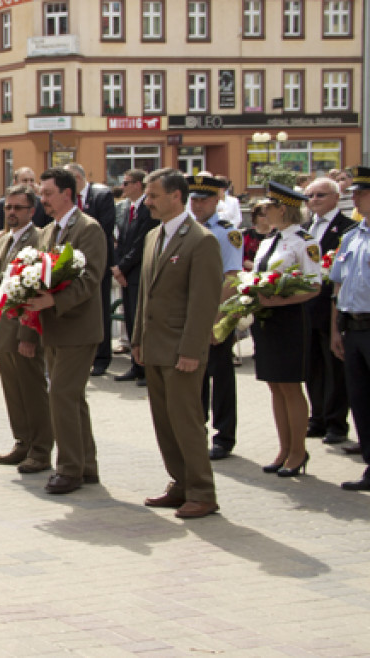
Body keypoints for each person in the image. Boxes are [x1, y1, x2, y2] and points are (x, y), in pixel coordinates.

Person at [133, 169, 224, 518]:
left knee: (187, 421)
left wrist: (191, 350)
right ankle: (180, 483)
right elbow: (146, 294)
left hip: (180, 349)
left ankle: (202, 490)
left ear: (176, 196)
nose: (148, 202)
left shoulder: (201, 240)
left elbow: (203, 303)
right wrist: (138, 338)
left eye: (154, 195)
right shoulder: (154, 236)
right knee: (164, 421)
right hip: (155, 345)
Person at [21, 168, 106, 495]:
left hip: (78, 327)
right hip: (54, 327)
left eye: (47, 193)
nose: (43, 200)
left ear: (67, 194)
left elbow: (90, 279)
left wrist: (52, 301)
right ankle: (85, 465)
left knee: (61, 396)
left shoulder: (88, 229)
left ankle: (68, 469)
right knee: (71, 398)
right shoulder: (48, 232)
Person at [251, 182, 322, 477]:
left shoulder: (305, 242)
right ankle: (284, 448)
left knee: (291, 386)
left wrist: (281, 300)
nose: (263, 211)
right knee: (274, 385)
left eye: (268, 206)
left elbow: (314, 286)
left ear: (283, 208)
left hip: (291, 319)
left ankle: (297, 450)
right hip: (267, 320)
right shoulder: (270, 240)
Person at [0, 184, 54, 473]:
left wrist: (29, 334)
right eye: (8, 208)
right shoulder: (4, 239)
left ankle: (40, 449)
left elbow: (37, 288)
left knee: (32, 388)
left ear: (32, 210)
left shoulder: (39, 239)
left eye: (18, 208)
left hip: (25, 326)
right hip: (3, 325)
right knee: (12, 388)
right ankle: (22, 441)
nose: (11, 213)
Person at [184, 176, 244, 461]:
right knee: (194, 376)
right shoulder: (188, 229)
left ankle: (224, 436)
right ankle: (197, 430)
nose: (197, 205)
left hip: (215, 314)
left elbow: (231, 277)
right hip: (192, 313)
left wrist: (216, 320)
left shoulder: (225, 233)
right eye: (193, 199)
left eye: (203, 200)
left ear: (217, 200)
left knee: (220, 376)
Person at [302, 177, 356, 445]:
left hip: (331, 307)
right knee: (312, 368)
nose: (314, 201)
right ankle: (318, 417)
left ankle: (336, 422)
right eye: (310, 196)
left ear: (336, 197)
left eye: (320, 195)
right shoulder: (304, 228)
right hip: (306, 307)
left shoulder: (348, 229)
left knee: (334, 368)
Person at [330, 165, 370, 490]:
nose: (354, 197)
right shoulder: (351, 237)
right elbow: (337, 286)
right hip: (352, 328)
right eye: (354, 192)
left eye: (362, 192)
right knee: (360, 400)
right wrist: (335, 330)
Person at [64, 164, 117, 377]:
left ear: (77, 178)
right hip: (70, 264)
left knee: (100, 308)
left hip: (96, 262)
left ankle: (102, 357)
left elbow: (103, 229)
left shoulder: (101, 195)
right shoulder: (68, 200)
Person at [112, 169, 158, 384]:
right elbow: (119, 240)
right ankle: (135, 365)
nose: (123, 186)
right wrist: (118, 266)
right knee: (130, 320)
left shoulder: (148, 209)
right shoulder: (124, 208)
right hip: (125, 272)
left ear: (139, 185)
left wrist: (123, 267)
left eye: (127, 182)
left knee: (141, 320)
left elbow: (141, 243)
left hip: (138, 271)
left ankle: (147, 368)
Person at [242, 201, 271, 270]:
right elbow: (241, 256)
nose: (265, 217)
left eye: (267, 214)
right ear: (255, 217)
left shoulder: (276, 234)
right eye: (261, 215)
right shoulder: (246, 234)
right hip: (248, 274)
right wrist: (255, 266)